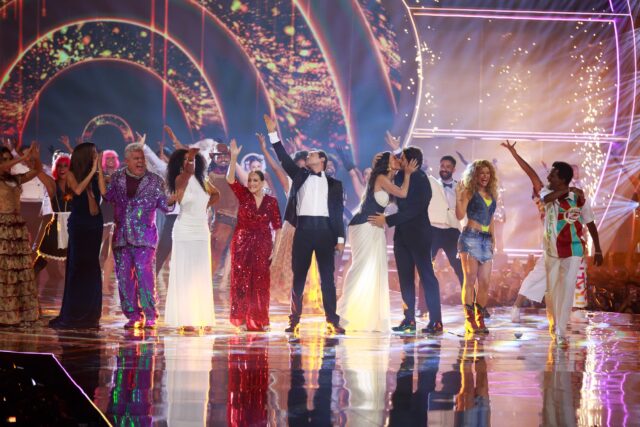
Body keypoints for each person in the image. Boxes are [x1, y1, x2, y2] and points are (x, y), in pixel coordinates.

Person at [265, 114, 346, 334]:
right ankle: (294, 320)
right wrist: (273, 134)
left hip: (325, 232)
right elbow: (284, 158)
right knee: (298, 278)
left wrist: (340, 238)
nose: (308, 155)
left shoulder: (335, 185)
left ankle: (332, 320)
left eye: (312, 154)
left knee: (327, 279)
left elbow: (337, 213)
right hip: (303, 231)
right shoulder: (299, 175)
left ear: (321, 160)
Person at [337, 152, 417, 332]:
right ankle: (342, 314)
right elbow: (403, 193)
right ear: (387, 163)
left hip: (375, 226)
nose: (398, 160)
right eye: (394, 158)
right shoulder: (381, 178)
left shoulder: (388, 178)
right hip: (365, 224)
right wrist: (408, 173)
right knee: (361, 267)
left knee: (375, 269)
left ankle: (368, 317)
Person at [369, 143, 443, 335]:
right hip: (402, 236)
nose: (399, 160)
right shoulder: (401, 176)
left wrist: (388, 220)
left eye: (402, 158)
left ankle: (436, 321)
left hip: (419, 235)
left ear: (412, 162)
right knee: (405, 278)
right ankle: (408, 319)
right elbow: (389, 190)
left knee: (427, 276)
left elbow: (415, 209)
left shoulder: (423, 180)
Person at [98, 142, 174, 329]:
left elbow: (165, 205)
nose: (140, 161)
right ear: (127, 161)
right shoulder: (117, 178)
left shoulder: (155, 180)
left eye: (142, 158)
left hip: (145, 237)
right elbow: (107, 196)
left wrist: (175, 195)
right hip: (121, 237)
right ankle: (133, 316)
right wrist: (99, 171)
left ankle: (150, 315)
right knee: (124, 278)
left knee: (144, 275)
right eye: (136, 158)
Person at [541, 161, 603, 346]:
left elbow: (590, 223)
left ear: (562, 179)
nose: (548, 177)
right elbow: (546, 199)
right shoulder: (547, 191)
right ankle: (554, 323)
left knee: (568, 289)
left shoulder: (579, 199)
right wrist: (569, 190)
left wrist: (598, 249)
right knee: (552, 291)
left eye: (552, 175)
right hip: (552, 250)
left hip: (574, 249)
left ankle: (561, 331)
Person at [226, 139, 282, 331]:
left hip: (263, 244)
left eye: (255, 180)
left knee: (260, 282)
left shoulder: (271, 202)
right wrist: (234, 158)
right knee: (241, 281)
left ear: (262, 182)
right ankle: (241, 319)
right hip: (242, 243)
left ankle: (259, 319)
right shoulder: (244, 195)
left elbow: (278, 227)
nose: (251, 183)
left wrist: (276, 249)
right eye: (249, 180)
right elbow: (230, 180)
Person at [49, 143, 104, 329]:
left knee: (92, 268)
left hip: (95, 225)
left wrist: (99, 170)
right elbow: (78, 190)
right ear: (85, 155)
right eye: (93, 153)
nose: (96, 156)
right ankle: (74, 313)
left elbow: (104, 193)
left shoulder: (95, 175)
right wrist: (92, 172)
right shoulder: (71, 174)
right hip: (80, 225)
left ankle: (91, 313)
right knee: (78, 268)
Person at [163, 148, 218, 329]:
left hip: (201, 231)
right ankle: (185, 319)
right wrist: (192, 156)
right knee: (185, 275)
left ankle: (200, 316)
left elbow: (216, 194)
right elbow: (188, 172)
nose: (190, 162)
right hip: (184, 231)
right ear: (181, 164)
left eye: (192, 159)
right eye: (186, 160)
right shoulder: (180, 179)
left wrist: (205, 206)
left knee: (200, 274)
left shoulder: (203, 181)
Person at [0, 145, 44, 326]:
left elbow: (37, 170)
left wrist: (35, 157)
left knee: (19, 271)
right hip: (2, 228)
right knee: (4, 270)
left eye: (8, 159)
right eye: (3, 159)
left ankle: (16, 313)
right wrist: (21, 158)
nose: (7, 163)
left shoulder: (15, 179)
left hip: (16, 228)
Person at [455, 160, 498, 334]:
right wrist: (458, 197)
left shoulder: (491, 194)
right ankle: (469, 320)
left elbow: (491, 218)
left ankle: (480, 319)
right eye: (481, 173)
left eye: (488, 173)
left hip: (486, 240)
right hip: (470, 237)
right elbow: (459, 215)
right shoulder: (468, 192)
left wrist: (494, 239)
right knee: (470, 280)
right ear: (475, 175)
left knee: (485, 282)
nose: (485, 176)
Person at [33, 153, 71, 278]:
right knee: (44, 257)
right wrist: (36, 158)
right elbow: (38, 172)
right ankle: (27, 281)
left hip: (73, 225)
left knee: (73, 258)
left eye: (65, 166)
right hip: (57, 225)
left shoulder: (75, 185)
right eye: (59, 166)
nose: (62, 169)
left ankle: (76, 287)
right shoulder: (52, 184)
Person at [428, 155, 464, 287]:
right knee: (426, 268)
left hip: (452, 231)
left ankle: (470, 299)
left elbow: (463, 212)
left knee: (460, 268)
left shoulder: (460, 187)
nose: (444, 169)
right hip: (433, 230)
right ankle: (424, 300)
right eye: (442, 166)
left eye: (448, 167)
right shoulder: (431, 183)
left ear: (454, 170)